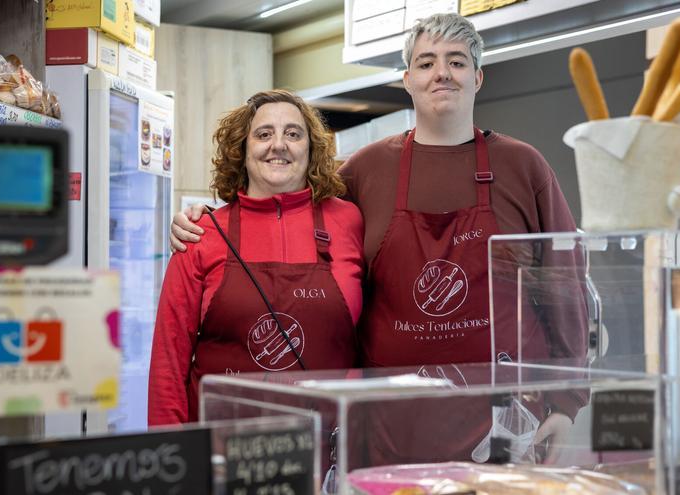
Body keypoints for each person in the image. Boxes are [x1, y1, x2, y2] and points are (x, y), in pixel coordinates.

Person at [168, 14, 588, 461]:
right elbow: (282, 203)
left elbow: (565, 285)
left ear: (478, 77)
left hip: (506, 419)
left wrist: (566, 402)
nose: (442, 73)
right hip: (391, 421)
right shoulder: (366, 170)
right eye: (426, 63)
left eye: (457, 62)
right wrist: (208, 217)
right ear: (407, 79)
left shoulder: (524, 167)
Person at [148, 90, 365, 426]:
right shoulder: (202, 234)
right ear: (242, 149)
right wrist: (172, 450)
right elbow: (168, 361)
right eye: (264, 134)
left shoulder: (349, 221)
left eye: (293, 134)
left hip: (327, 440)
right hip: (222, 442)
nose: (278, 145)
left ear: (311, 149)